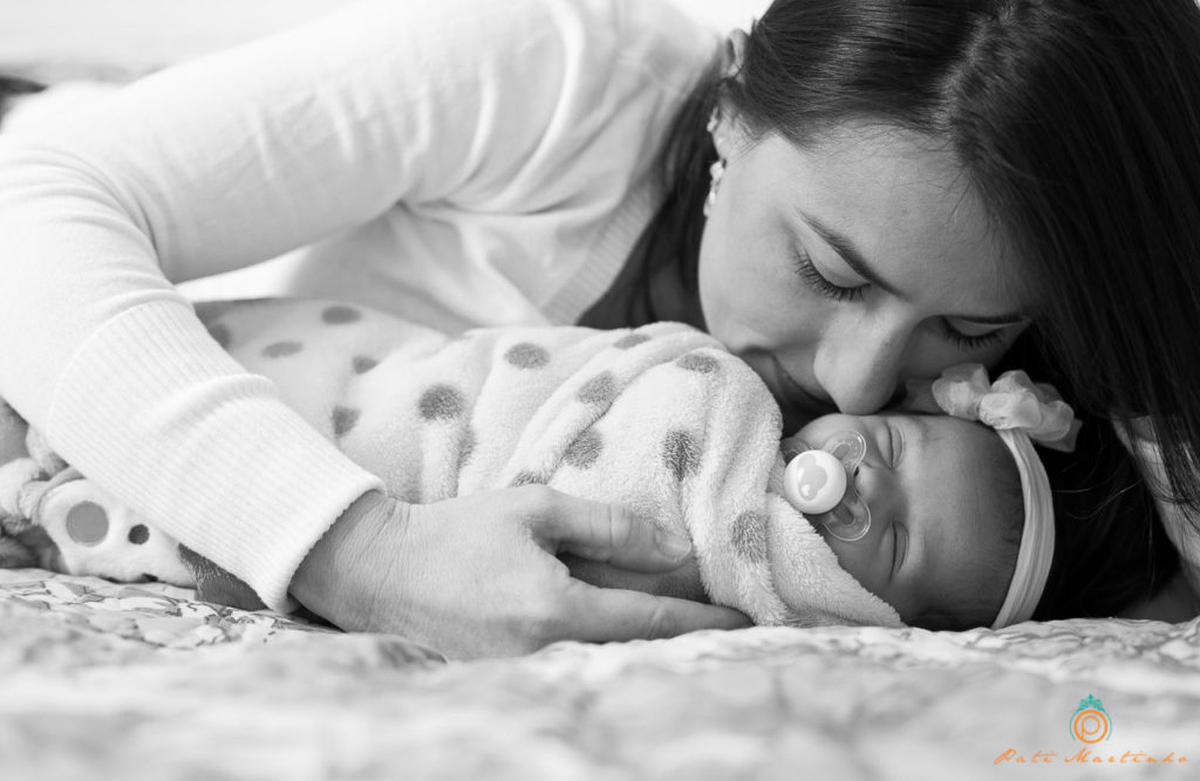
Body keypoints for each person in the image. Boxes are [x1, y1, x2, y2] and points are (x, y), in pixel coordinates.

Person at [1, 0, 1199, 658]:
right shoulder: (556, 70)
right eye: (832, 272)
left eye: (971, 330)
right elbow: (35, 197)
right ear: (730, 119)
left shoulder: (1009, 440)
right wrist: (359, 552)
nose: (857, 383)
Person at [0, 297, 1130, 631]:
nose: (858, 483)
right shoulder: (716, 387)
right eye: (884, 448)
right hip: (397, 392)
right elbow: (583, 381)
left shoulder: (752, 591)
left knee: (151, 513)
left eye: (887, 538)